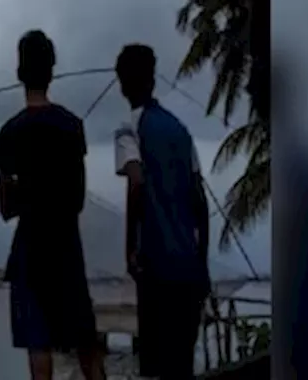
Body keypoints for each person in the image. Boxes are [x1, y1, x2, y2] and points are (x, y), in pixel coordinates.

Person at [0, 30, 106, 380]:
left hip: (29, 251)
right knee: (86, 346)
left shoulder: (10, 132)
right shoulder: (72, 126)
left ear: (18, 72)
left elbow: (5, 209)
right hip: (66, 248)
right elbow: (78, 198)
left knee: (39, 349)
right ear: (52, 70)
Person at [113, 44, 210, 379]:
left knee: (155, 369)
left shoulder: (129, 130)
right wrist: (203, 263)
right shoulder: (181, 132)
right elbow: (200, 201)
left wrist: (129, 250)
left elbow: (136, 183)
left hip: (156, 267)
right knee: (182, 367)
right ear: (153, 80)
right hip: (190, 269)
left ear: (122, 84)